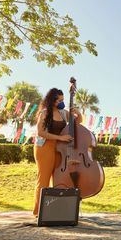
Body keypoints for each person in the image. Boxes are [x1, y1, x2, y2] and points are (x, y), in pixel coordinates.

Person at [32, 88, 82, 216]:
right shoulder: (44, 113)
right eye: (59, 100)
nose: (62, 102)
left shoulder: (63, 112)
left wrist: (78, 114)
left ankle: (55, 210)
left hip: (59, 148)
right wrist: (60, 138)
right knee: (44, 178)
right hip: (44, 147)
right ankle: (39, 212)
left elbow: (76, 123)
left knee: (59, 178)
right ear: (52, 100)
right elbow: (41, 132)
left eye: (63, 100)